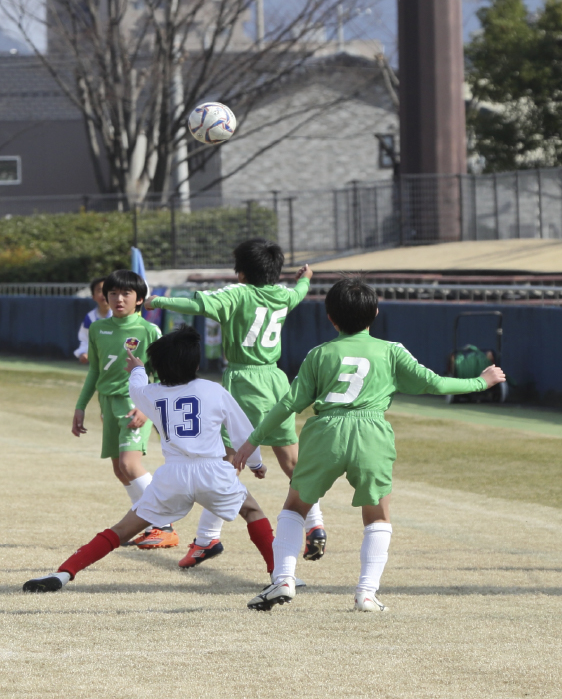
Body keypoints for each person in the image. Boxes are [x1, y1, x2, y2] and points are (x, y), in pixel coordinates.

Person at [234, 278, 505, 612]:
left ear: (330, 318)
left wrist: (252, 441)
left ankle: (284, 580)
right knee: (378, 514)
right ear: (375, 313)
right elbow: (434, 383)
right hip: (372, 432)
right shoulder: (391, 351)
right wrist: (481, 380)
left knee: (294, 508)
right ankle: (366, 593)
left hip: (325, 434)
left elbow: (287, 404)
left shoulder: (319, 354)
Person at [25, 325, 274, 592]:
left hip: (172, 476)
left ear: (159, 365)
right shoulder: (213, 390)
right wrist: (255, 463)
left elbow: (136, 385)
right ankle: (279, 575)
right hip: (213, 470)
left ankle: (64, 572)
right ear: (196, 362)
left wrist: (138, 368)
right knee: (252, 511)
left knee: (122, 530)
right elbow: (242, 432)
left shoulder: (151, 393)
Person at [145, 239, 325, 568]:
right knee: (291, 462)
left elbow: (197, 304)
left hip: (242, 382)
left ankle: (206, 540)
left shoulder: (237, 294)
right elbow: (299, 293)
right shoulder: (283, 295)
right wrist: (305, 278)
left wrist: (156, 299)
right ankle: (315, 523)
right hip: (275, 381)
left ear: (240, 273)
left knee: (226, 465)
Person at [72, 269, 173, 548]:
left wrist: (147, 407)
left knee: (130, 464)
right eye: (113, 293)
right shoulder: (97, 328)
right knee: (119, 469)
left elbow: (162, 375)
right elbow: (94, 371)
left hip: (136, 403)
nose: (119, 299)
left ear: (140, 299)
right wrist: (81, 407)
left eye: (126, 293)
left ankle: (164, 525)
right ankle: (148, 522)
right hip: (108, 403)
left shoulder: (149, 330)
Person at [74, 277, 111, 364]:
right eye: (99, 290)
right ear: (93, 296)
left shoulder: (120, 316)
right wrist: (83, 352)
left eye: (108, 290)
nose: (104, 294)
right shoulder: (90, 317)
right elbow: (85, 339)